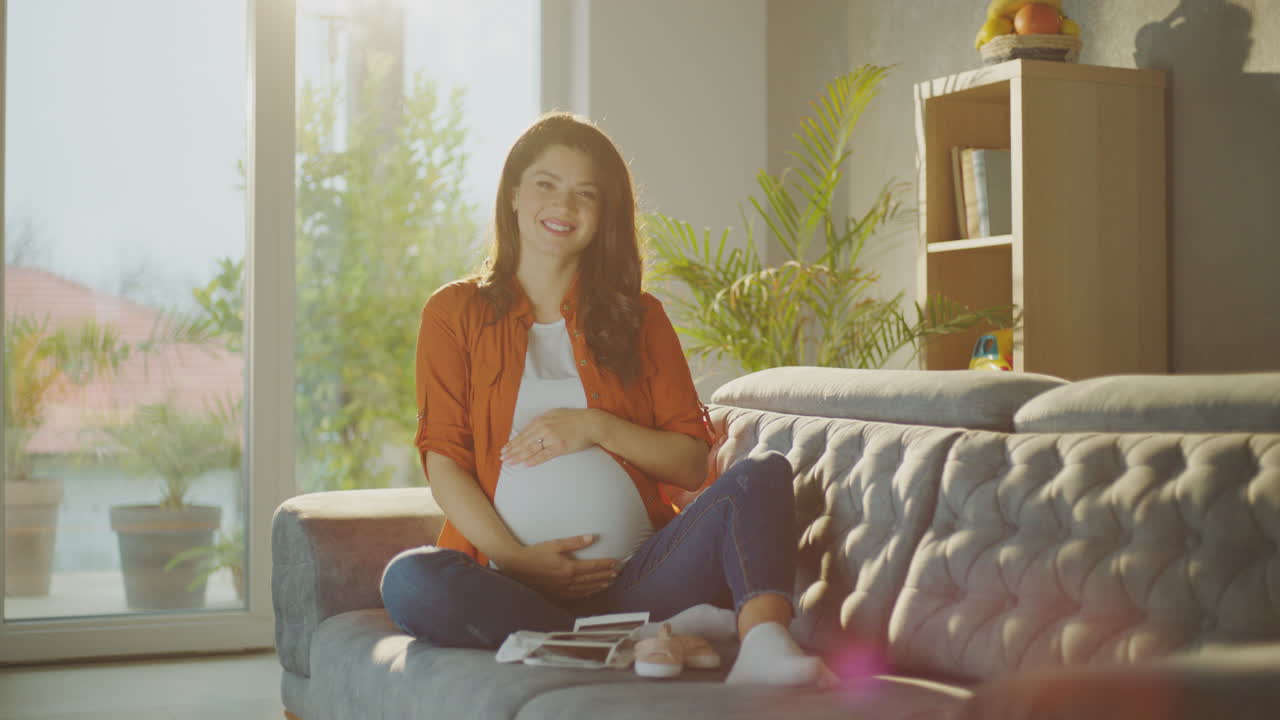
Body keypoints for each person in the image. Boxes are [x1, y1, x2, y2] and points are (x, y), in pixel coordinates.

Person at [380, 112, 831, 687]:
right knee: (410, 580)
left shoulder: (641, 317)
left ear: (604, 212)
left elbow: (691, 462)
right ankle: (635, 637)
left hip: (642, 577)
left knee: (761, 473)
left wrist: (596, 426)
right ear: (514, 192)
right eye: (546, 184)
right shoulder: (453, 314)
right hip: (511, 582)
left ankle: (765, 644)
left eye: (585, 193)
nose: (563, 205)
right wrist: (518, 559)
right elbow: (444, 460)